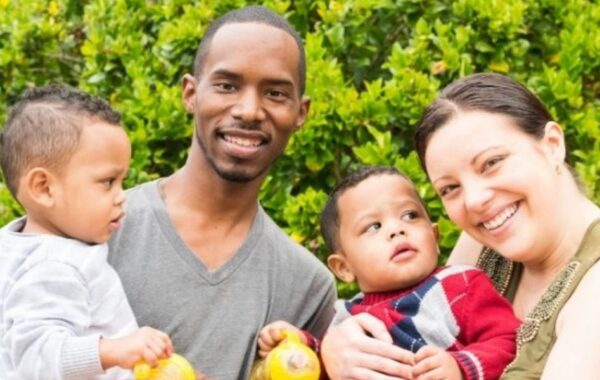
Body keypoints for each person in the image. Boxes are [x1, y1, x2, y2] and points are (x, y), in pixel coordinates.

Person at [107, 5, 336, 379]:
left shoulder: (307, 285)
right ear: (191, 93)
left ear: (301, 112)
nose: (248, 110)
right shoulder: (102, 229)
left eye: (275, 93)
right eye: (227, 86)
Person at [321, 72, 600, 379]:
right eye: (450, 188)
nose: (475, 200)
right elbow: (420, 321)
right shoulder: (489, 236)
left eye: (492, 163)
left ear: (552, 144)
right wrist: (335, 349)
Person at [259, 166, 519, 380]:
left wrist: (461, 367)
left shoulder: (459, 286)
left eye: (409, 215)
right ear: (344, 267)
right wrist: (299, 346)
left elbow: (510, 339)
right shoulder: (347, 318)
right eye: (373, 226)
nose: (396, 229)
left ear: (435, 236)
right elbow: (330, 369)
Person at [0, 85, 173, 379]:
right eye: (107, 182)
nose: (122, 196)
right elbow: (35, 356)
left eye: (122, 181)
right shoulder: (53, 266)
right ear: (43, 188)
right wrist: (115, 350)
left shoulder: (18, 247)